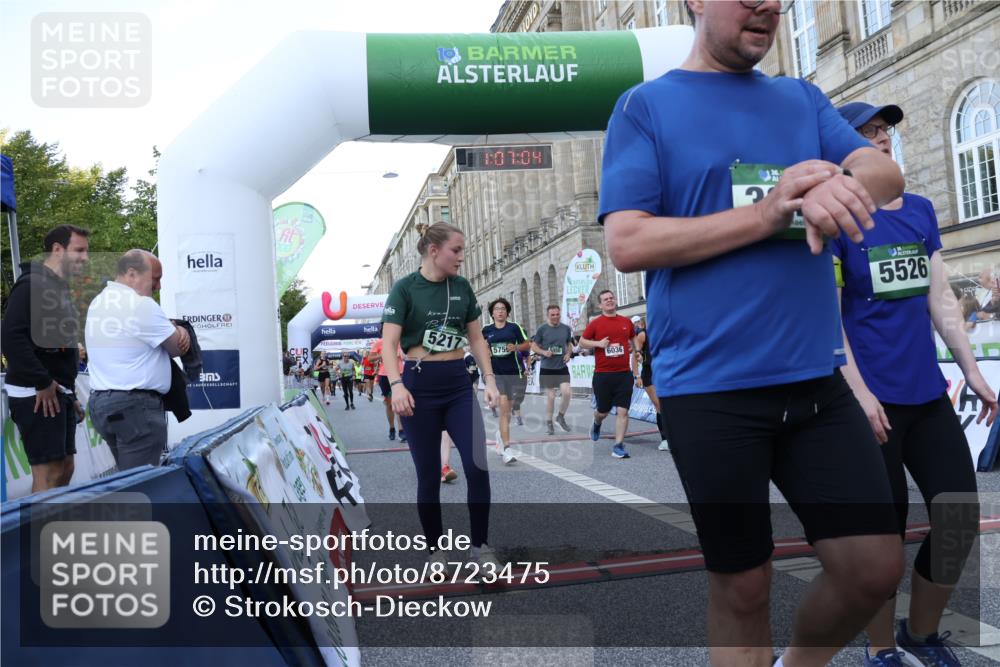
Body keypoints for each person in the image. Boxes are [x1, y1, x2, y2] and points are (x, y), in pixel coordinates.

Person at [599, 1, 908, 664]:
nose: (768, 5)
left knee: (874, 567)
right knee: (743, 583)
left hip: (815, 383)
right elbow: (626, 241)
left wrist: (837, 179)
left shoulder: (801, 98)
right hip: (710, 390)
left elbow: (885, 173)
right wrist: (772, 212)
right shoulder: (643, 107)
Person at [833, 100, 998, 667]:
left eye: (885, 130)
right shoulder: (836, 217)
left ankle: (920, 634)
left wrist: (971, 370)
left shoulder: (921, 211)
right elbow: (828, 317)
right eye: (868, 131)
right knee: (882, 536)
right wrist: (858, 392)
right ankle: (882, 651)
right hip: (868, 403)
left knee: (957, 518)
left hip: (927, 396)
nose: (882, 138)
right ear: (843, 145)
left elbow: (941, 299)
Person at [381, 221, 501, 570]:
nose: (462, 257)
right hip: (418, 387)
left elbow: (476, 338)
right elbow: (389, 343)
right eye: (456, 250)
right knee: (429, 474)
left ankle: (481, 547)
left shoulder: (462, 287)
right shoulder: (404, 289)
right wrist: (396, 384)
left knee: (478, 468)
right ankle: (435, 550)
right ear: (434, 251)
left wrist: (489, 381)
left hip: (457, 384)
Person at [1, 225, 90, 493]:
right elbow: (10, 338)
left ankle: (50, 527)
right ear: (57, 249)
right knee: (49, 473)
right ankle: (37, 534)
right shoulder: (31, 284)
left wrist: (70, 392)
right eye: (79, 250)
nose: (85, 258)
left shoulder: (58, 289)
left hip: (58, 391)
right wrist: (42, 382)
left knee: (65, 468)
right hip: (35, 392)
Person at [85, 250, 191, 471]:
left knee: (126, 480)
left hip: (102, 403)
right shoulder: (140, 305)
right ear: (132, 273)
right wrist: (181, 329)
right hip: (136, 407)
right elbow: (176, 348)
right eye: (156, 279)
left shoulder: (98, 302)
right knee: (139, 487)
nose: (158, 286)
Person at [580, 290, 638, 459]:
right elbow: (583, 341)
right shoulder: (596, 323)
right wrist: (598, 343)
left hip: (623, 375)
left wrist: (637, 349)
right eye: (606, 299)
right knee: (603, 411)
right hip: (603, 375)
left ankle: (618, 445)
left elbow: (633, 338)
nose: (610, 301)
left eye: (612, 298)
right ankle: (597, 422)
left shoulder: (626, 321)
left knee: (623, 411)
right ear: (600, 304)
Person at [482, 297, 529, 465]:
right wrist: (486, 351)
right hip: (496, 375)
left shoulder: (514, 327)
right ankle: (507, 449)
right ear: (492, 313)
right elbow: (478, 347)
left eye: (503, 309)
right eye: (497, 309)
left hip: (514, 373)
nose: (500, 311)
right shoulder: (486, 330)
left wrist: (515, 347)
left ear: (507, 312)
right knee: (503, 407)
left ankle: (500, 436)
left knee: (507, 411)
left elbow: (527, 344)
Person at [531, 304, 574, 435]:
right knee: (551, 397)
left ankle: (560, 417)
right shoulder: (542, 329)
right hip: (547, 368)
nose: (555, 317)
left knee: (567, 393)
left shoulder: (566, 328)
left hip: (561, 366)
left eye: (557, 314)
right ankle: (549, 422)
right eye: (552, 315)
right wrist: (543, 352)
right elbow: (533, 346)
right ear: (548, 315)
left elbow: (569, 344)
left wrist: (568, 354)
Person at [633, 315, 670, 452]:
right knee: (660, 405)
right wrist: (637, 376)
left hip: (664, 372)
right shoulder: (643, 335)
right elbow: (634, 357)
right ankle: (665, 440)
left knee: (669, 405)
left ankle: (674, 436)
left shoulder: (665, 334)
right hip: (649, 374)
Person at [370, 337, 405, 442]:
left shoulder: (401, 341)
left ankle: (401, 430)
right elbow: (370, 358)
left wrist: (403, 354)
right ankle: (392, 428)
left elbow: (410, 355)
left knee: (400, 402)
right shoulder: (379, 342)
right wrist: (383, 354)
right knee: (389, 404)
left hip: (400, 373)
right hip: (385, 375)